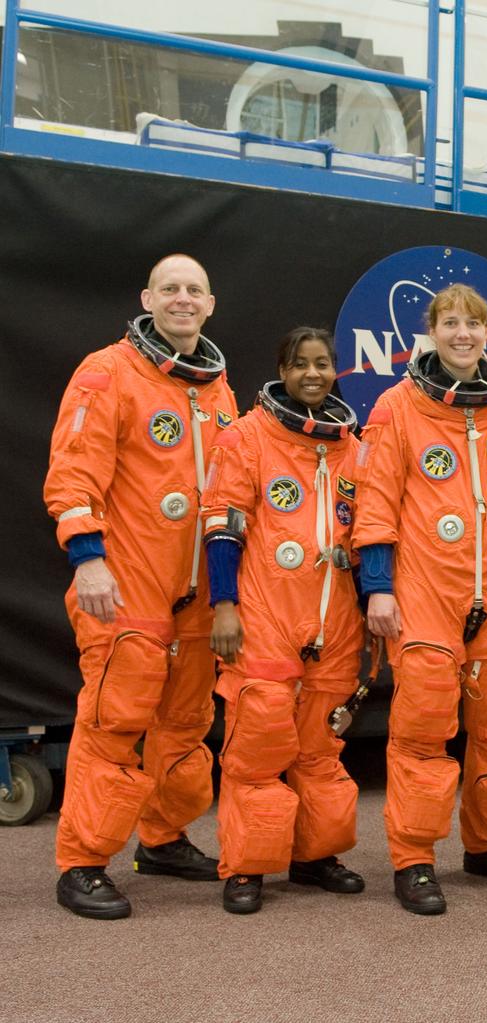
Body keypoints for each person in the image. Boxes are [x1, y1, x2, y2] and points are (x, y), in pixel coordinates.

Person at [44, 254, 238, 919]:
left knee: (186, 725)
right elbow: (74, 474)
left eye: (194, 290)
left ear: (209, 305)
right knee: (114, 722)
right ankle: (83, 861)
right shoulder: (107, 373)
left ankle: (161, 837)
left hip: (195, 595)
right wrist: (88, 559)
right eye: (171, 289)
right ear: (147, 299)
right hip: (127, 584)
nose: (182, 299)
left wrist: (227, 591)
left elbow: (226, 497)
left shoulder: (217, 388)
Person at [353, 283, 487, 915]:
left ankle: (486, 847)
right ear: (430, 332)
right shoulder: (395, 406)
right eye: (451, 323)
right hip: (426, 589)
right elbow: (374, 501)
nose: (463, 334)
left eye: (474, 324)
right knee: (423, 729)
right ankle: (413, 858)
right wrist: (377, 587)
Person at [201, 327, 366, 914]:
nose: (313, 375)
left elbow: (370, 532)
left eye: (323, 364)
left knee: (320, 748)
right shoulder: (246, 437)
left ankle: (314, 856)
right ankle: (247, 868)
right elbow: (222, 522)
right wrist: (224, 605)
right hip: (267, 611)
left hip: (335, 619)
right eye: (301, 365)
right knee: (259, 745)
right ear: (281, 369)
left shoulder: (354, 446)